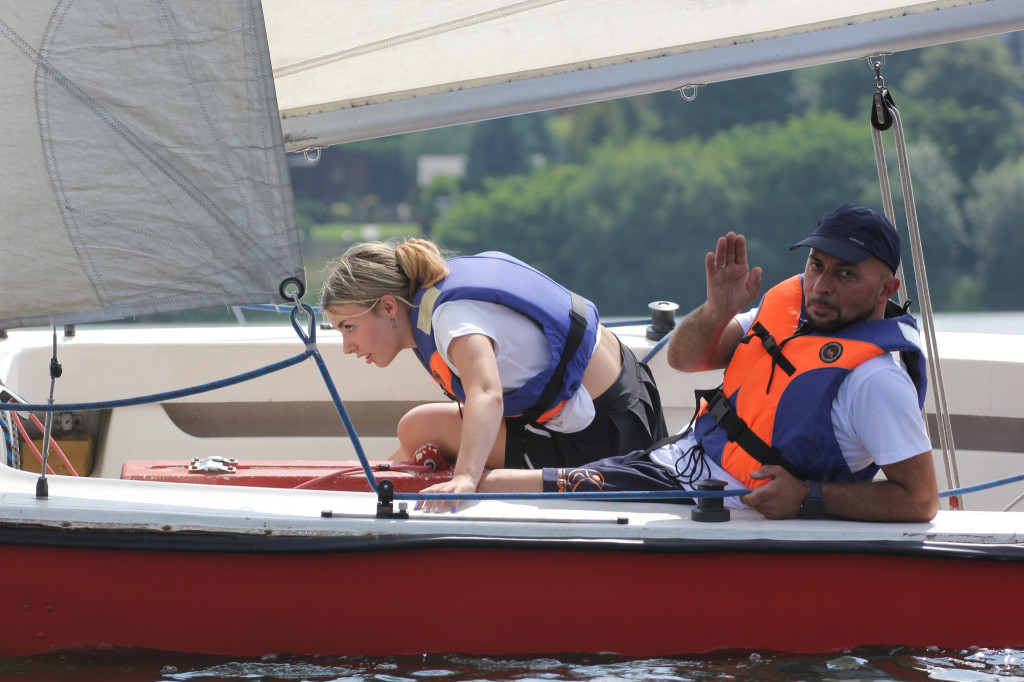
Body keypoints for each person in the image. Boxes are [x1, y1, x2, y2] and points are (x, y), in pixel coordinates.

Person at [480, 204, 940, 522]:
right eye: (816, 265)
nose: (821, 285)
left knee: (496, 487)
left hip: (724, 502)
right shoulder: (789, 313)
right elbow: (683, 359)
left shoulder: (875, 380)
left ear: (886, 289)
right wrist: (718, 309)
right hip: (675, 463)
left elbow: (920, 501)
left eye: (846, 274)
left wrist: (808, 495)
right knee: (491, 482)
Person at [319, 239, 668, 513]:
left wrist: (466, 478)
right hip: (632, 396)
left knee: (472, 474)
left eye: (349, 327)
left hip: (604, 438)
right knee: (416, 427)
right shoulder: (441, 286)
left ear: (388, 306)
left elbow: (487, 393)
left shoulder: (451, 319)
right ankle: (371, 490)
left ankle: (366, 499)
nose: (347, 347)